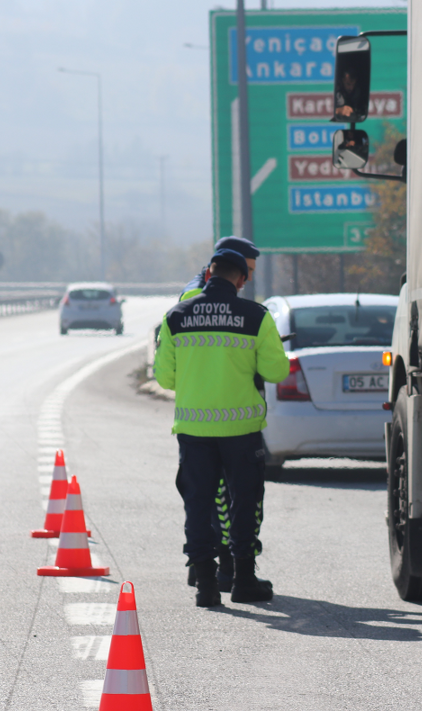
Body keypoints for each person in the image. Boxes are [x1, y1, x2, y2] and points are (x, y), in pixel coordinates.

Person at [154, 248, 289, 607]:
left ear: (209, 274)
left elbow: (164, 377)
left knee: (198, 505)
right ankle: (244, 580)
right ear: (242, 279)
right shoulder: (255, 316)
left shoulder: (176, 316)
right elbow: (277, 372)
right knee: (244, 503)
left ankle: (206, 587)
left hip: (194, 430)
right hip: (241, 431)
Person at [179, 235, 260, 592]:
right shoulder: (192, 299)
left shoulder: (189, 298)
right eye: (248, 271)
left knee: (206, 500)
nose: (249, 280)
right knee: (228, 500)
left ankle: (207, 572)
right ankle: (228, 568)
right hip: (226, 418)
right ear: (233, 269)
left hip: (196, 418)